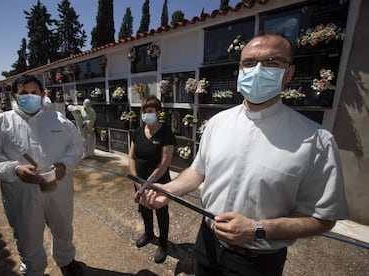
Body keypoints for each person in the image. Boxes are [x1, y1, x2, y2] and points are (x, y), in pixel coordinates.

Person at [138, 33, 349, 275]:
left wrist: (258, 229)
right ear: (240, 70)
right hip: (205, 242)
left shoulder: (317, 141)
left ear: (288, 74)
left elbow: (322, 218)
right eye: (249, 63)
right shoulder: (218, 123)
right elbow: (197, 172)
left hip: (256, 260)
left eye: (272, 62)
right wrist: (168, 190)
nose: (258, 70)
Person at [0, 74, 86, 276]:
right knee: (28, 235)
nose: (30, 96)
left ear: (43, 94)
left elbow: (77, 146)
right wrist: (14, 169)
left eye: (34, 92)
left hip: (58, 187)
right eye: (24, 93)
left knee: (63, 227)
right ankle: (34, 270)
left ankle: (66, 260)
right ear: (14, 96)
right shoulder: (1, 123)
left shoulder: (58, 120)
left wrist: (65, 164)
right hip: (21, 192)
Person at [128, 95, 177, 263]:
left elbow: (164, 164)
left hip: (159, 182)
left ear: (158, 112)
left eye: (150, 111)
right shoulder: (138, 132)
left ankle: (163, 244)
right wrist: (138, 182)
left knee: (161, 213)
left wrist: (148, 185)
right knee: (144, 209)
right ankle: (149, 234)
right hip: (139, 181)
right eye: (144, 111)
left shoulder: (166, 133)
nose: (146, 114)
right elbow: (131, 157)